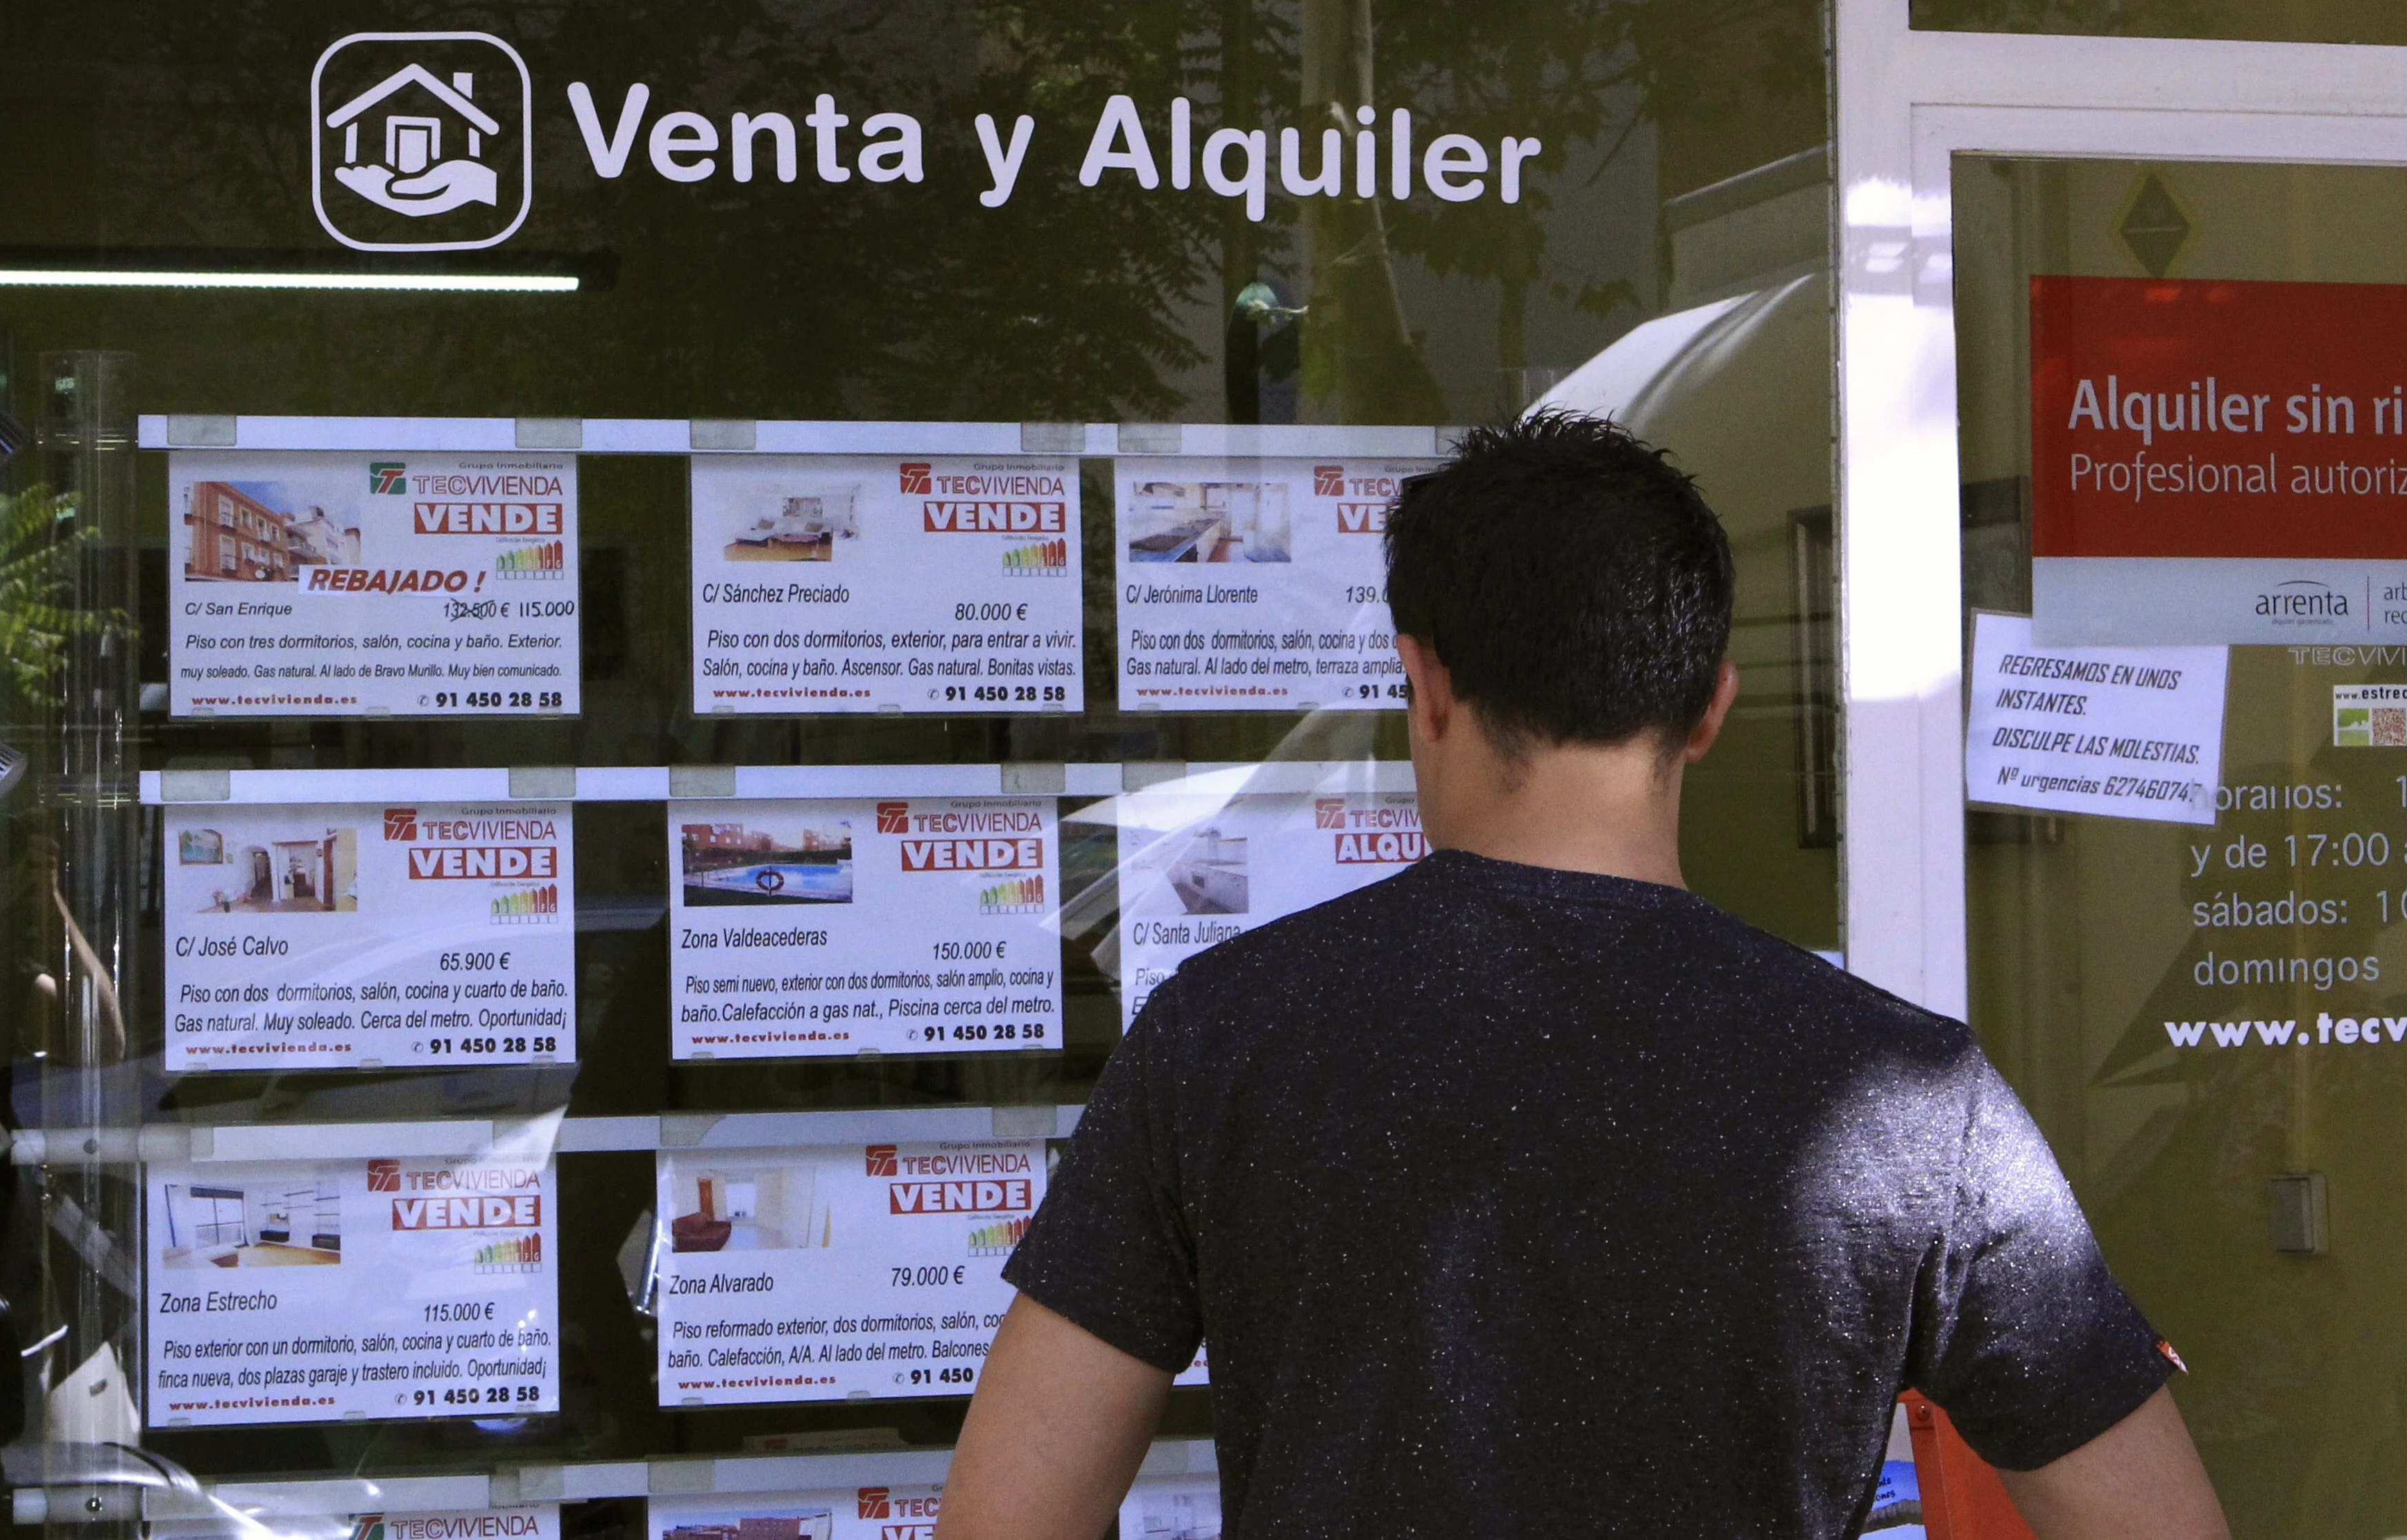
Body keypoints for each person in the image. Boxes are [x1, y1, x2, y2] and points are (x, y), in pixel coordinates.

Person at [939, 414, 2229, 1540]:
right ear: (1710, 708)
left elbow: (1008, 1518)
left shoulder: (1224, 1039)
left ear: (1424, 686)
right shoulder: (1907, 1097)